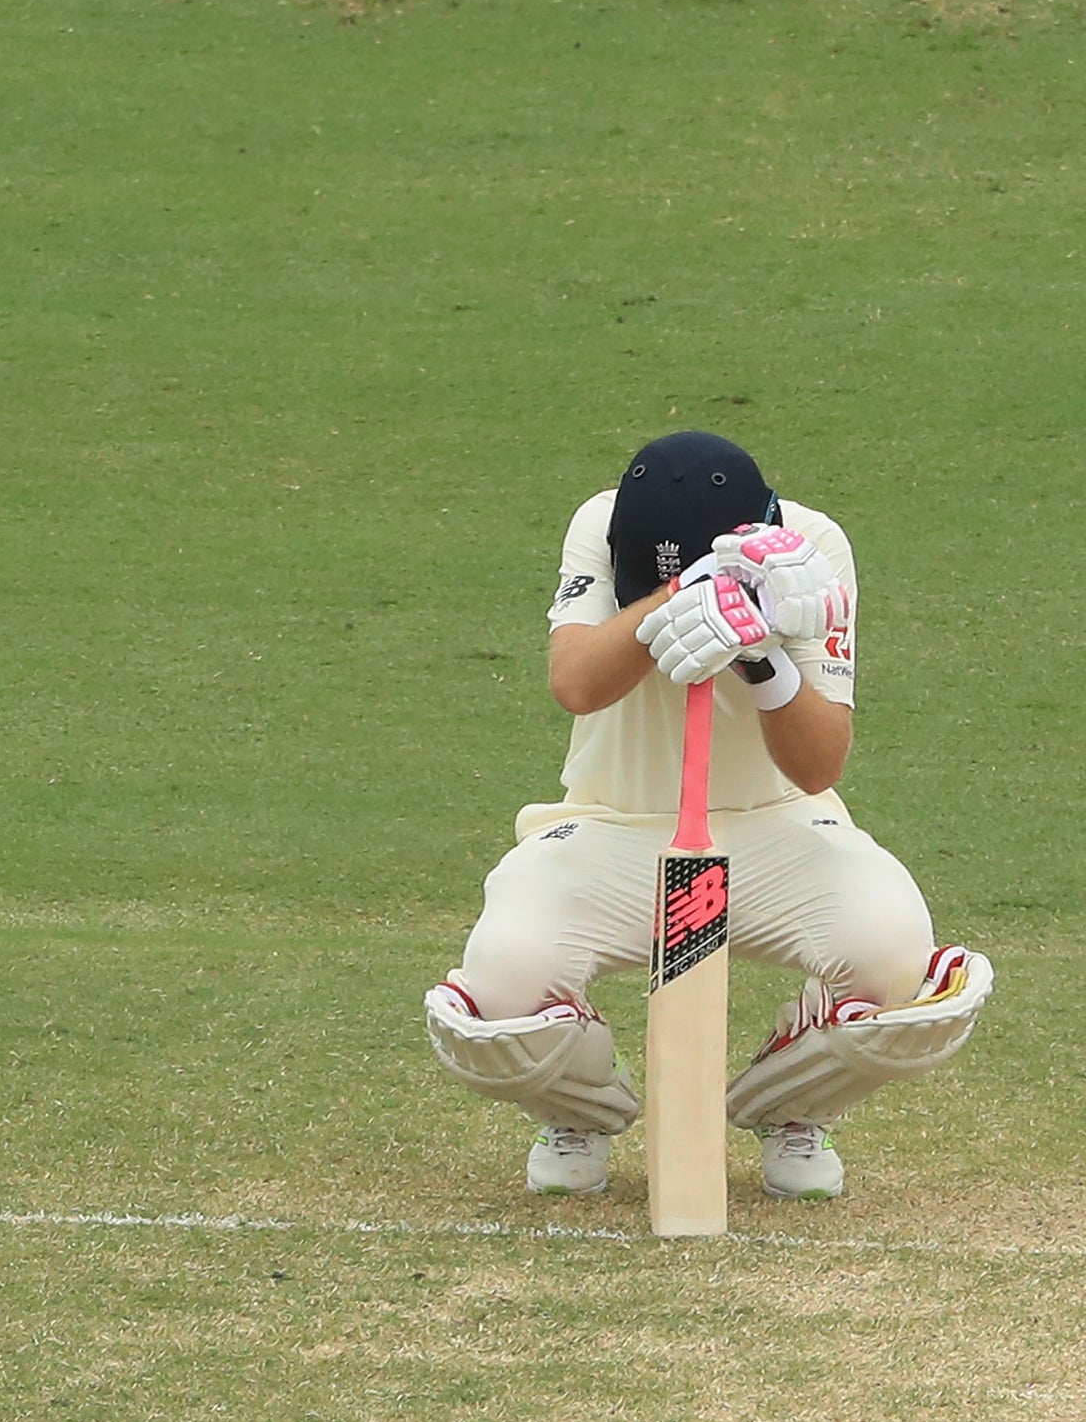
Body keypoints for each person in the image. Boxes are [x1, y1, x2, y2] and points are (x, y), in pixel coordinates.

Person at [423, 431, 993, 1202]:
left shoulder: (812, 549)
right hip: (611, 826)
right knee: (495, 989)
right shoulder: (604, 518)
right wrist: (685, 595)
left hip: (778, 827)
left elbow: (819, 765)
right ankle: (580, 1110)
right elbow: (577, 682)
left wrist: (764, 655)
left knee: (899, 961)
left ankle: (792, 1107)